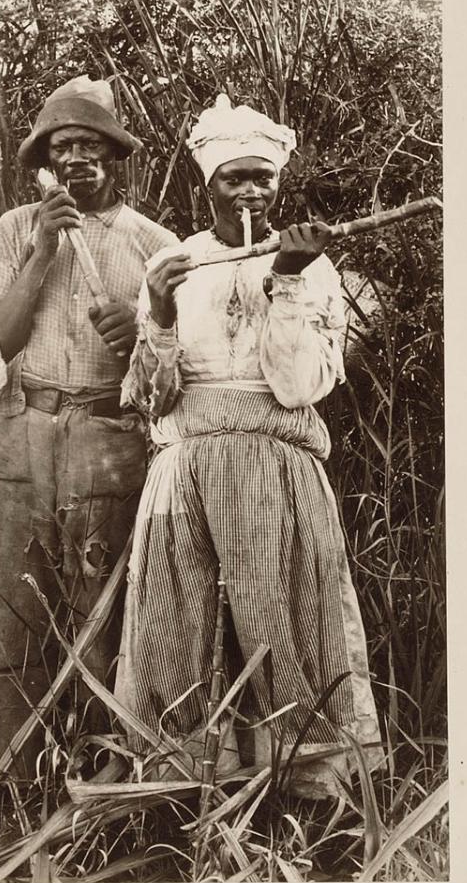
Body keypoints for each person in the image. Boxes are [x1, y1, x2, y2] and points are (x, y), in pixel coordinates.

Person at [116, 94, 382, 798]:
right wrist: (163, 311)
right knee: (179, 618)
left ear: (279, 183)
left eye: (261, 177)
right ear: (206, 185)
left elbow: (298, 388)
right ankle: (182, 788)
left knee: (284, 616)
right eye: (234, 178)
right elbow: (150, 399)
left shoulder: (314, 266)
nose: (250, 192)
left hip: (276, 462)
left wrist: (289, 279)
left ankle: (308, 787)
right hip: (188, 467)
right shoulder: (174, 264)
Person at [0, 76, 178, 779]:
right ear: (44, 162)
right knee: (17, 606)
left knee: (103, 603)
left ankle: (102, 779)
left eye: (91, 147)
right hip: (26, 428)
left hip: (106, 436)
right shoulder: (14, 229)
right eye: (63, 149)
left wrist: (137, 338)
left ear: (114, 159)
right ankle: (17, 779)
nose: (77, 160)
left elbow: (168, 382)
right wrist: (42, 250)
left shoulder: (156, 245)